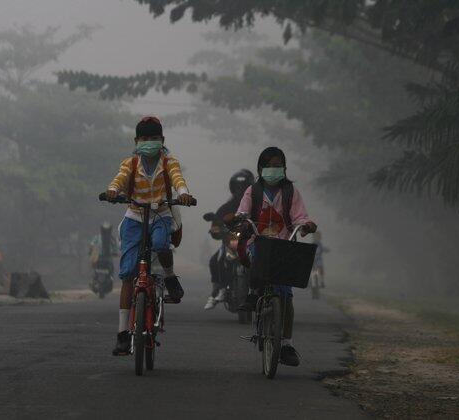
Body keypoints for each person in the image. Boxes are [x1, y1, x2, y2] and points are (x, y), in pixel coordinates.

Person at [105, 116, 194, 356]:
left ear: (162, 140)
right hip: (135, 217)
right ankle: (123, 334)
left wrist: (184, 193)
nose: (149, 143)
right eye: (144, 139)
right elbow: (120, 179)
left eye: (154, 138)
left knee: (160, 245)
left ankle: (169, 276)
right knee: (127, 273)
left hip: (161, 215)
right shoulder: (131, 164)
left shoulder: (169, 162)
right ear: (137, 141)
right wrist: (113, 190)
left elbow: (178, 180)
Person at [236, 147, 317, 366]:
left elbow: (301, 216)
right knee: (258, 258)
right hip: (258, 242)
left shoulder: (291, 192)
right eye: (269, 165)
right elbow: (242, 213)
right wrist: (242, 222)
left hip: (284, 244)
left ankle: (288, 344)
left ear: (284, 167)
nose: (273, 169)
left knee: (287, 297)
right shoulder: (252, 191)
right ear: (261, 168)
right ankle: (253, 294)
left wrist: (306, 225)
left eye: (277, 165)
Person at [204, 169, 255, 310]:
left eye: (244, 187)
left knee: (261, 262)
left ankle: (262, 291)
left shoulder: (257, 207)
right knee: (214, 261)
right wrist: (215, 229)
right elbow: (216, 226)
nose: (241, 190)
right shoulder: (225, 208)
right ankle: (217, 289)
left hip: (251, 244)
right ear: (233, 188)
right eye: (238, 187)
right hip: (230, 244)